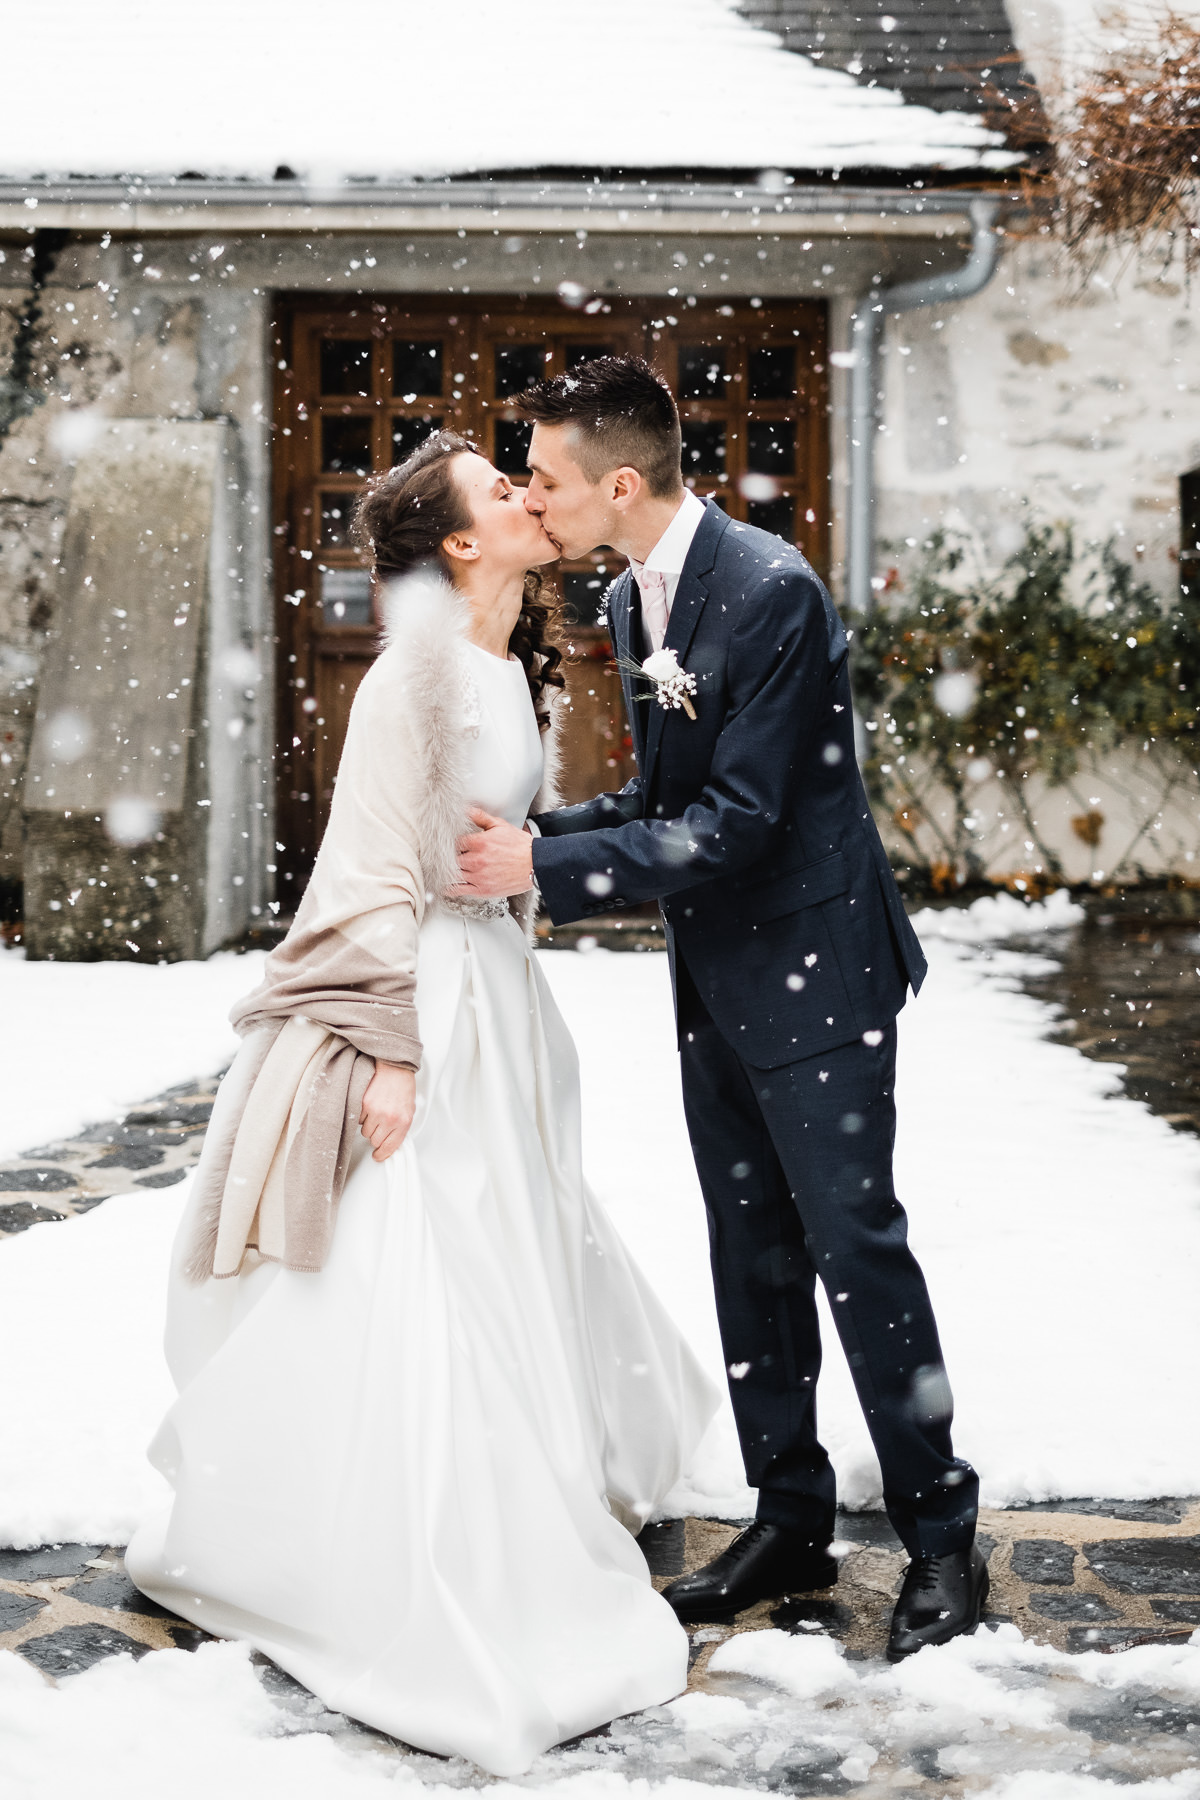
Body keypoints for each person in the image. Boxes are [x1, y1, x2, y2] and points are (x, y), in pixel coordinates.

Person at [126, 429, 717, 1776]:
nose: (526, 495)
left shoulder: (504, 665)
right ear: (461, 543)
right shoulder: (418, 676)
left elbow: (485, 844)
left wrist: (523, 887)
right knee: (425, 1258)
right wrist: (389, 1052)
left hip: (500, 1004)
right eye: (500, 492)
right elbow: (374, 875)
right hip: (428, 1013)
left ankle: (532, 1478)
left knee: (514, 1233)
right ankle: (413, 1540)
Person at [454, 357, 988, 1660]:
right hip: (716, 980)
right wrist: (543, 834)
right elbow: (662, 802)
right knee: (748, 1257)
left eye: (547, 478)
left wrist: (550, 872)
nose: (535, 497)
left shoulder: (772, 595)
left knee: (857, 1253)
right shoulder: (642, 598)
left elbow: (742, 826)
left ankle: (940, 1539)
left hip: (816, 975)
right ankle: (789, 1519)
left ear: (619, 484)